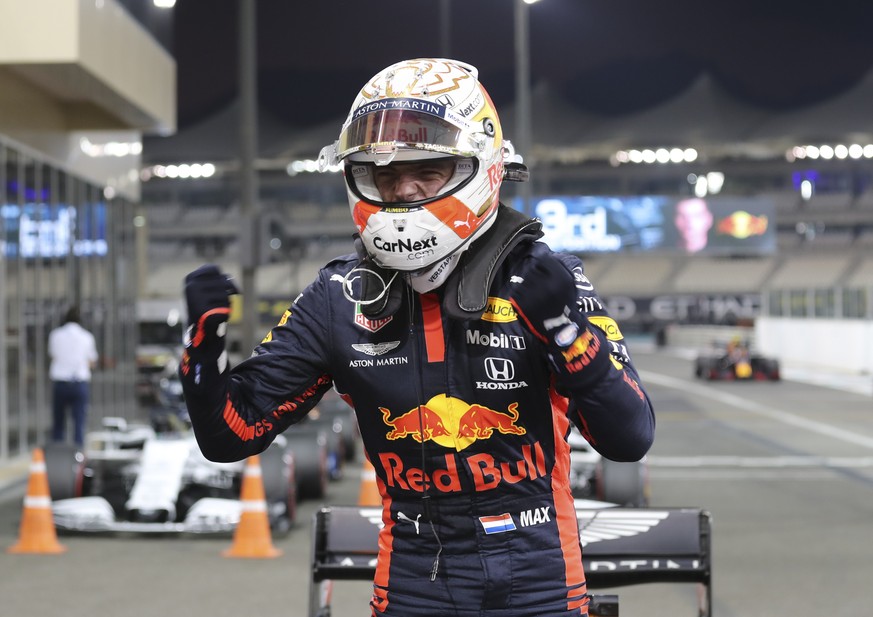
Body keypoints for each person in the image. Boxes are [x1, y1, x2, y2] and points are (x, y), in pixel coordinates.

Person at [180, 58, 655, 617]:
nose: (402, 191)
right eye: (385, 174)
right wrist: (202, 350)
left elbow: (629, 437)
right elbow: (228, 436)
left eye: (425, 171)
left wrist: (566, 336)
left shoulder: (547, 278)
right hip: (412, 579)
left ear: (480, 168)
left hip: (541, 579)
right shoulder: (338, 296)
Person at [48, 306, 98, 447]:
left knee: (58, 424)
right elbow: (92, 361)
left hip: (61, 383)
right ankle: (78, 459)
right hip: (79, 383)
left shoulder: (55, 335)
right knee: (79, 423)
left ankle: (58, 456)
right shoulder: (87, 337)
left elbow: (53, 355)